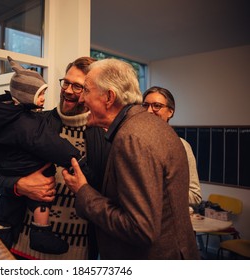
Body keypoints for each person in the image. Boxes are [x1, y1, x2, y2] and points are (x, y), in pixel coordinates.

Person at [62, 58, 200, 259]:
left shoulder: (132, 138)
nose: (81, 99)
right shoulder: (152, 126)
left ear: (109, 97)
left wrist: (83, 192)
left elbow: (140, 228)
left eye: (86, 91)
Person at [0, 57, 110, 259]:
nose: (67, 90)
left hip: (78, 254)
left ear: (93, 92)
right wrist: (19, 184)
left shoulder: (105, 138)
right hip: (21, 248)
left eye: (77, 87)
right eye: (66, 83)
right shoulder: (33, 123)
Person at [142, 86, 202, 206]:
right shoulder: (134, 142)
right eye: (145, 105)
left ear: (170, 112)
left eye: (157, 106)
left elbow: (195, 196)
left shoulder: (181, 146)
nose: (149, 110)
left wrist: (157, 190)